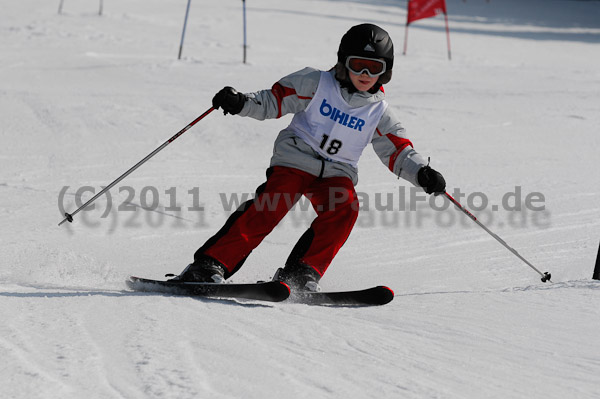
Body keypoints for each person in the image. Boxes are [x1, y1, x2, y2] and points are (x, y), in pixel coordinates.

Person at [171, 23, 446, 291]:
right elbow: (273, 100)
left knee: (345, 208)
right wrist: (241, 102)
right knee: (272, 203)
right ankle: (210, 264)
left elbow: (399, 151)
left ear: (385, 72)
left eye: (374, 68)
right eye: (357, 64)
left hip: (338, 172)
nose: (364, 73)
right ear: (342, 62)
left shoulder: (379, 112)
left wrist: (421, 172)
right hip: (296, 160)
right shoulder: (315, 83)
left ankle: (301, 273)